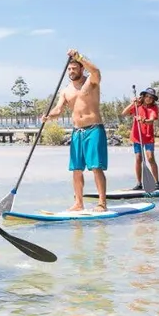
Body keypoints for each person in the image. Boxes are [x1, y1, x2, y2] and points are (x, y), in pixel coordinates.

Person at [42, 49, 108, 212]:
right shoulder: (66, 90)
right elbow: (58, 109)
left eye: (74, 68)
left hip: (94, 129)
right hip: (77, 132)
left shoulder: (91, 82)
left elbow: (96, 71)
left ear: (81, 69)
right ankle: (79, 203)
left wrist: (79, 57)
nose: (71, 71)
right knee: (76, 169)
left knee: (96, 167)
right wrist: (48, 116)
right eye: (69, 69)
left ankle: (102, 203)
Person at [121, 87, 159, 190]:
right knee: (138, 158)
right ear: (143, 97)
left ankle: (157, 183)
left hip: (148, 137)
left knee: (150, 158)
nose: (148, 99)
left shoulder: (154, 108)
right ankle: (139, 183)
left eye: (151, 97)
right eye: (147, 96)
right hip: (137, 136)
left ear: (153, 100)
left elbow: (151, 121)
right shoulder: (137, 106)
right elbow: (124, 113)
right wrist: (132, 103)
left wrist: (143, 120)